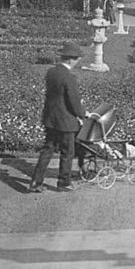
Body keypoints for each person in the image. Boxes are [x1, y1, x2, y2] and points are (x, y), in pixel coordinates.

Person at [29, 42, 91, 193]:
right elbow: (74, 101)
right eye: (77, 59)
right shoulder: (69, 77)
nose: (77, 62)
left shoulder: (51, 72)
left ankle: (36, 182)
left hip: (51, 118)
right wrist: (83, 114)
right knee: (67, 153)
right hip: (66, 122)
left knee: (47, 150)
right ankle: (63, 183)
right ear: (71, 59)